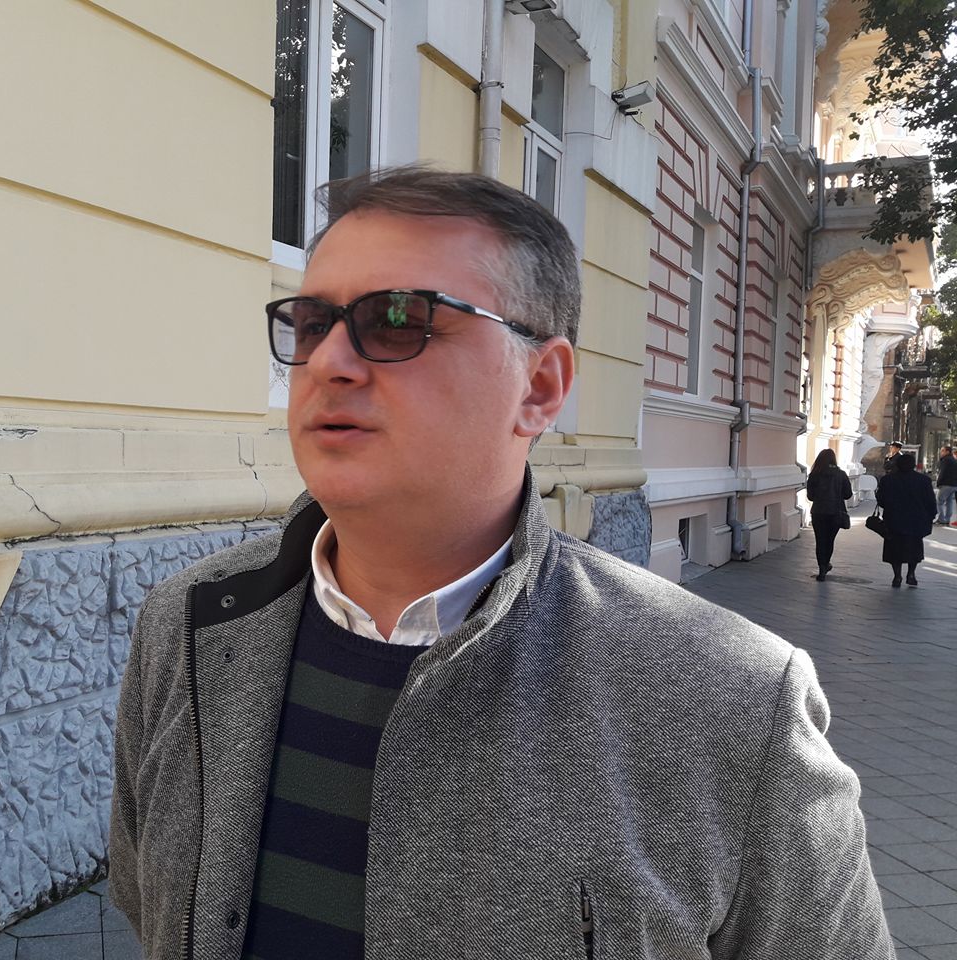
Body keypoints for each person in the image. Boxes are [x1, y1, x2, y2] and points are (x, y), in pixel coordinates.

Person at [109, 167, 891, 959]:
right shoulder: (191, 625)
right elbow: (155, 906)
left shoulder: (731, 699)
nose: (330, 363)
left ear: (540, 387)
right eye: (313, 324)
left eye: (398, 319)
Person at [876, 451, 938, 587]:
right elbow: (930, 500)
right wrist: (932, 515)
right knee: (914, 548)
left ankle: (897, 576)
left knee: (894, 549)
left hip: (894, 520)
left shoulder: (888, 480)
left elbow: (881, 500)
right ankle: (911, 574)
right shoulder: (923, 480)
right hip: (916, 520)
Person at [805, 448, 852, 581]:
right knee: (829, 540)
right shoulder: (841, 474)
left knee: (820, 540)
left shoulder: (814, 474)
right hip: (835, 512)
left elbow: (810, 496)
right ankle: (826, 564)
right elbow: (848, 494)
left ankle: (822, 568)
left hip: (818, 512)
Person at [937, 443, 957, 526]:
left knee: (939, 501)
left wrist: (938, 482)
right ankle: (947, 519)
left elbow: (942, 472)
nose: (941, 452)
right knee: (949, 502)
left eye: (942, 451)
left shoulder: (945, 460)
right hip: (954, 484)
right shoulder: (954, 460)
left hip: (946, 484)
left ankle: (941, 519)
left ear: (947, 452)